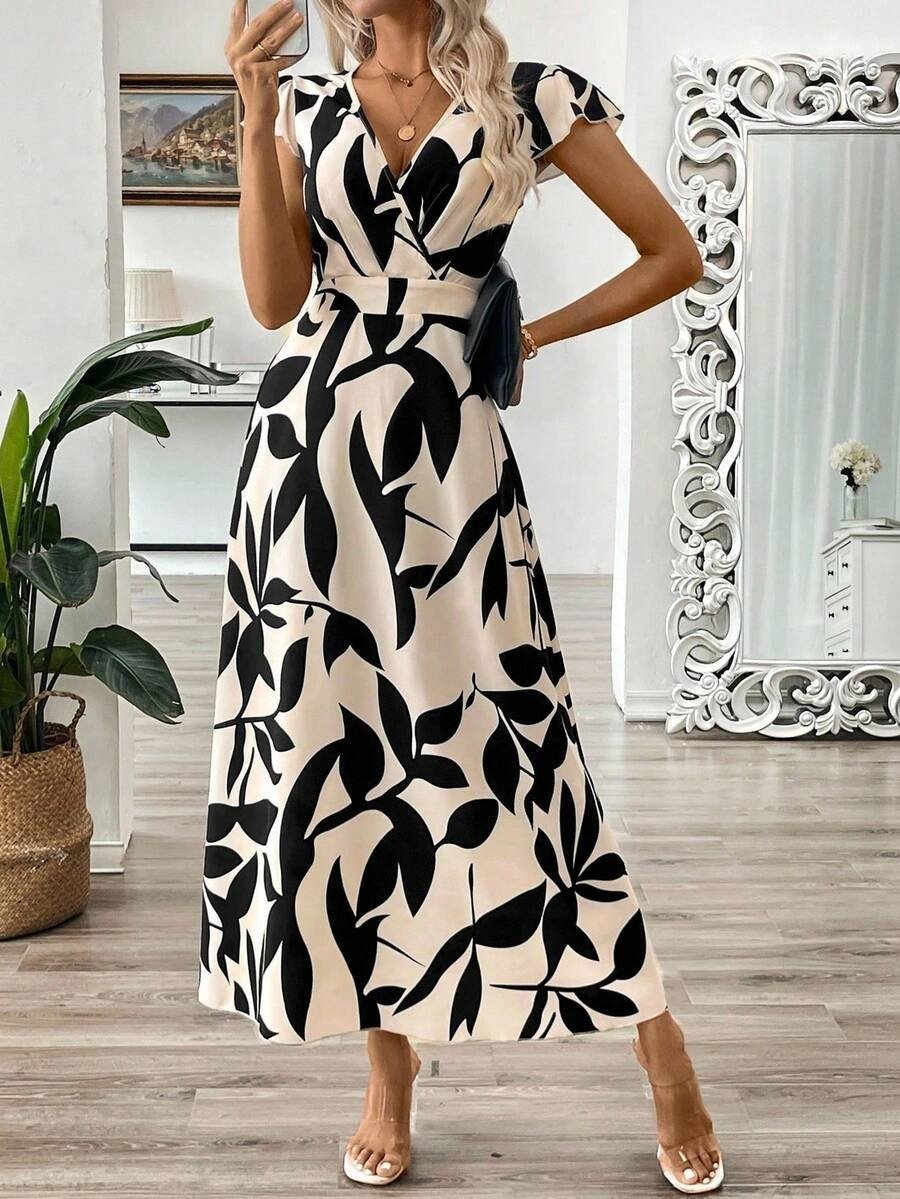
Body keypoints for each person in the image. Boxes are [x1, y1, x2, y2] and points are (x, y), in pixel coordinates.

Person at [200, 0, 721, 1192]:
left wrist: (530, 335)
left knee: (522, 750)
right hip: (310, 459)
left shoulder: (531, 96)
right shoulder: (309, 104)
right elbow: (275, 303)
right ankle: (388, 1069)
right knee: (342, 763)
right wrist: (255, 111)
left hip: (450, 463)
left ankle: (659, 1042)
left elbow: (672, 252)